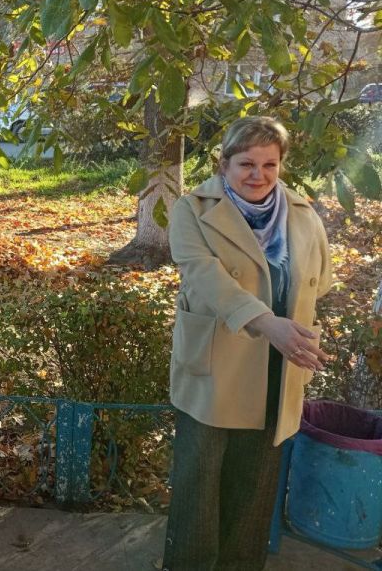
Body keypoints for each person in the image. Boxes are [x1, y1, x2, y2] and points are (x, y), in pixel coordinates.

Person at [162, 116, 332, 570]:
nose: (258, 175)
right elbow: (203, 279)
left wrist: (294, 328)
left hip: (279, 366)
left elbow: (322, 280)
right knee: (200, 486)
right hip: (219, 364)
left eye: (269, 164)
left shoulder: (302, 214)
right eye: (246, 163)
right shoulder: (192, 209)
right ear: (224, 164)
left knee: (255, 491)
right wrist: (267, 322)